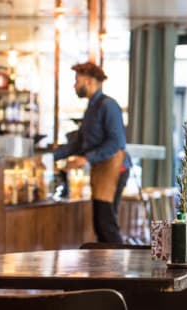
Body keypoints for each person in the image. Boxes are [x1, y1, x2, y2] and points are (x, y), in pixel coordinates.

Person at [54, 62, 131, 243]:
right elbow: (78, 144)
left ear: (89, 82)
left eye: (77, 80)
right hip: (101, 171)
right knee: (100, 224)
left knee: (106, 224)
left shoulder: (108, 105)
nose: (75, 85)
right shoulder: (92, 108)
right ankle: (108, 268)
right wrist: (51, 156)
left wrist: (86, 158)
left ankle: (116, 268)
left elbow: (117, 142)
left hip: (115, 170)